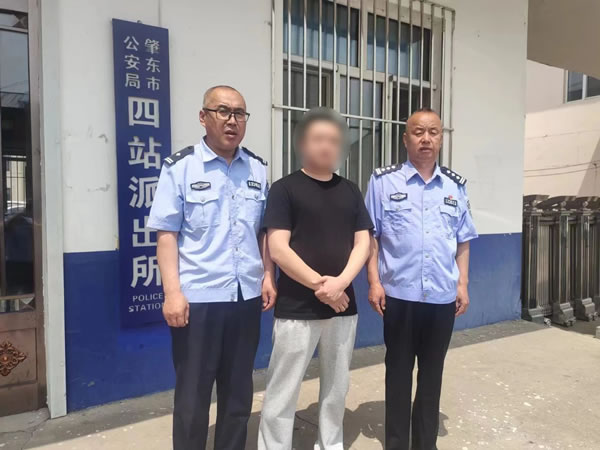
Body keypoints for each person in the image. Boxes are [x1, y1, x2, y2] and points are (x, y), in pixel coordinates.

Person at [147, 85, 277, 450]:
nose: (232, 120)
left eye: (239, 113)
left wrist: (268, 275)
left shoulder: (257, 168)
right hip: (198, 300)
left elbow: (263, 232)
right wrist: (172, 293)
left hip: (245, 297)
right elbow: (167, 235)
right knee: (193, 396)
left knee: (238, 394)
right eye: (223, 111)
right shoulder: (180, 168)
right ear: (203, 117)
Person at [257, 107, 373, 450]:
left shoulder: (350, 190)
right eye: (319, 139)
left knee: (337, 387)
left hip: (342, 307)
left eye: (334, 141)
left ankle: (330, 444)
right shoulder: (285, 189)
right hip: (297, 308)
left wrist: (340, 284)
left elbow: (363, 243)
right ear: (303, 144)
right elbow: (278, 248)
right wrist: (322, 286)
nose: (327, 146)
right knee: (282, 388)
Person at [365, 108, 478, 450]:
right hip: (399, 297)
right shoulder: (383, 182)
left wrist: (462, 284)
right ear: (405, 139)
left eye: (433, 132)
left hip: (442, 297)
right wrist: (374, 282)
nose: (426, 139)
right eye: (418, 132)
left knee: (432, 375)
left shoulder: (455, 186)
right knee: (398, 374)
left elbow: (463, 240)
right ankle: (397, 444)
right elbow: (370, 237)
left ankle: (425, 444)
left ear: (441, 138)